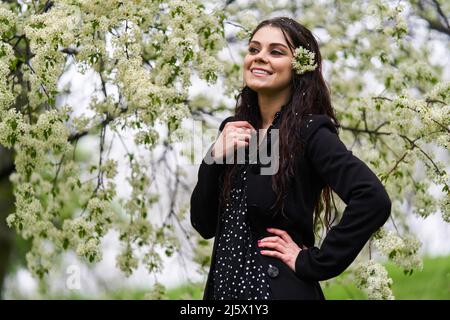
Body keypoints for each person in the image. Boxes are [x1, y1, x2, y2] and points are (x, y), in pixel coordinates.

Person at [190, 16, 391, 300]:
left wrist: (313, 262)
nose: (260, 58)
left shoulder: (310, 133)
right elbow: (204, 224)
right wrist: (213, 158)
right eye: (254, 49)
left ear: (298, 67)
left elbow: (372, 198)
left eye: (276, 52)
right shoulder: (233, 131)